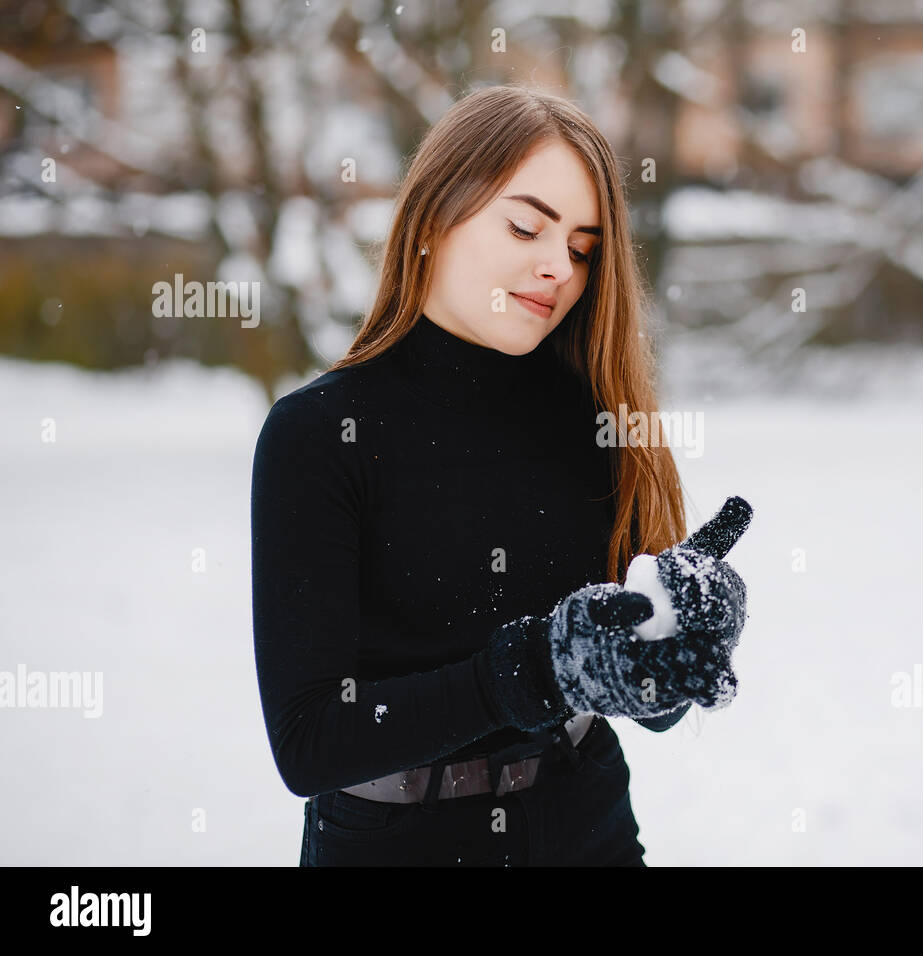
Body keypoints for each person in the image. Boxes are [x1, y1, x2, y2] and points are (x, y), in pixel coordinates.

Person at [250, 84, 752, 866]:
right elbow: (310, 742)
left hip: (587, 830)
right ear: (434, 218)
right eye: (526, 226)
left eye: (583, 248)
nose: (558, 267)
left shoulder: (592, 416)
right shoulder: (318, 435)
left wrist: (676, 631)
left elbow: (641, 699)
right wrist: (533, 670)